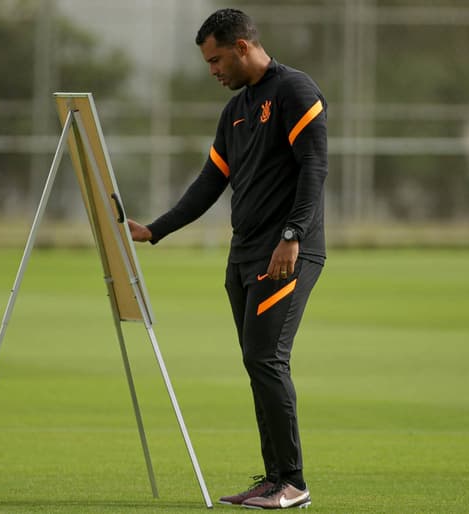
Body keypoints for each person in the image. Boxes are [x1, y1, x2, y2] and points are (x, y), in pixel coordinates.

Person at [128, 8, 327, 510]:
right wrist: (155, 230)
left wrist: (293, 235)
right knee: (256, 363)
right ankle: (273, 478)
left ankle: (294, 484)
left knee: (266, 358)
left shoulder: (296, 91)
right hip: (244, 255)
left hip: (285, 253)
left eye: (216, 60)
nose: (213, 70)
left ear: (242, 47)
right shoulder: (236, 111)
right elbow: (209, 183)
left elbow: (314, 168)